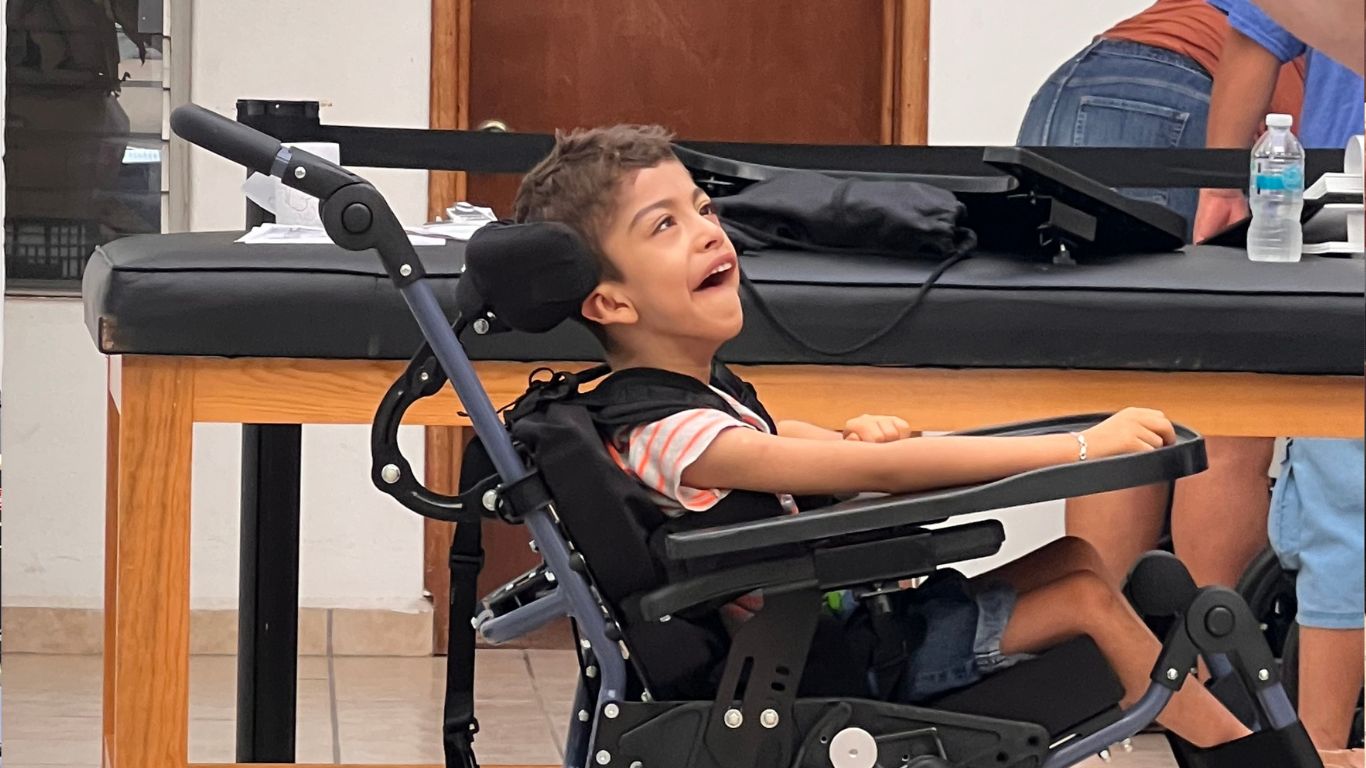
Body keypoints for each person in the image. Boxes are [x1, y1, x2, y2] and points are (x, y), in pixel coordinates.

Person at [503, 124, 1352, 761]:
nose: (707, 228)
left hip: (847, 637)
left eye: (701, 205)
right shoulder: (676, 431)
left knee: (1081, 569)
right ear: (609, 304)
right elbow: (873, 468)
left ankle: (1232, 745)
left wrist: (852, 436)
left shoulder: (698, 403)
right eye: (663, 226)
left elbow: (829, 451)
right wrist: (1079, 449)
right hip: (829, 675)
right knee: (1091, 604)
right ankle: (1247, 757)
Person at [1192, 1, 1365, 761]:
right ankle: (1320, 745)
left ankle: (1321, 743)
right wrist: (1226, 178)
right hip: (1339, 218)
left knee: (1339, 492)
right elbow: (1259, 23)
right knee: (1339, 487)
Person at [1018, 0, 1305, 240]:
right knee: (1148, 298)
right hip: (1171, 96)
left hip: (1068, 89)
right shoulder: (1322, 66)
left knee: (1047, 296)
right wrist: (1221, 186)